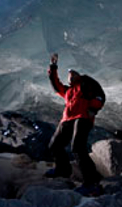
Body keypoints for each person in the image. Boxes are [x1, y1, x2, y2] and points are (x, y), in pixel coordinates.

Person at [45, 53, 105, 196]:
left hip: (83, 117)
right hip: (67, 119)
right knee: (54, 145)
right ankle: (63, 170)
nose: (70, 75)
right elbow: (56, 84)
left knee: (77, 148)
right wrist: (53, 67)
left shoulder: (86, 84)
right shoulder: (67, 91)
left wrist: (92, 109)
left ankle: (91, 183)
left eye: (73, 73)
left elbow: (100, 96)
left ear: (79, 75)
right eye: (69, 75)